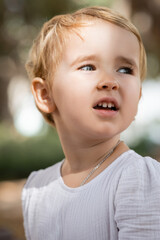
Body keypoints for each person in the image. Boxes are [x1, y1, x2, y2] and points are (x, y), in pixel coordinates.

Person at [22, 6, 160, 240]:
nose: (110, 81)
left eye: (125, 69)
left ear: (137, 96)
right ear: (45, 95)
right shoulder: (36, 188)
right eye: (88, 67)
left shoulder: (136, 178)